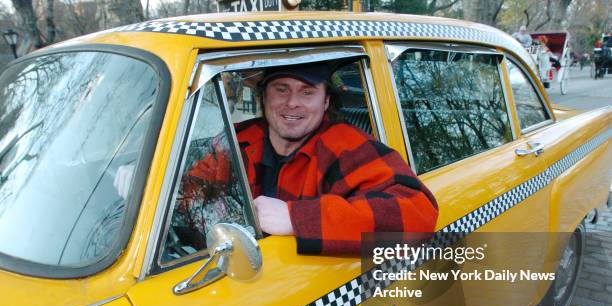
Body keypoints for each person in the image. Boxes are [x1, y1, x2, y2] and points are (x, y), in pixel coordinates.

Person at [117, 63, 439, 255]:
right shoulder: (240, 140)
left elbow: (418, 214)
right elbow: (193, 183)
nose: (293, 104)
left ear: (326, 102)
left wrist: (297, 218)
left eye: (307, 92)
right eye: (281, 90)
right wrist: (148, 180)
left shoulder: (345, 146)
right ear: (264, 98)